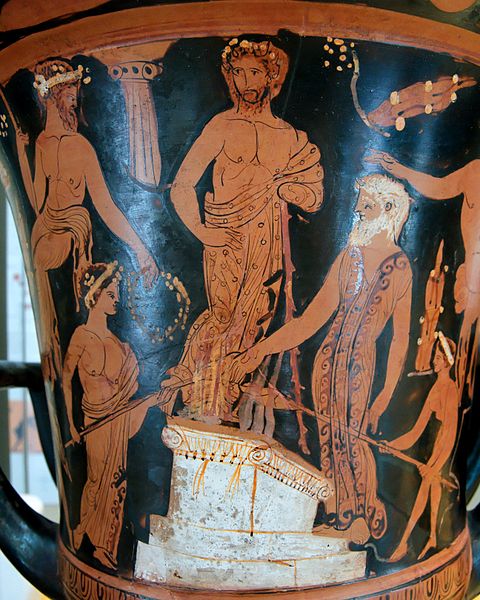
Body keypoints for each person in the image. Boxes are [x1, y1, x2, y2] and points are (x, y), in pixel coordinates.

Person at [230, 174, 413, 542]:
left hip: (360, 365)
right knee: (329, 437)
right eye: (358, 203)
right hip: (327, 362)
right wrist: (260, 349)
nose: (357, 210)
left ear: (389, 208)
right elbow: (311, 320)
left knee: (352, 439)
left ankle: (359, 515)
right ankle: (337, 515)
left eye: (366, 204)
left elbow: (400, 341)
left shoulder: (400, 266)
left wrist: (384, 397)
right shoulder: (349, 257)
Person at [160, 38, 324, 423]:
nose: (246, 82)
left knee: (251, 326)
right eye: (238, 73)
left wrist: (287, 189)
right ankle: (200, 399)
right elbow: (182, 185)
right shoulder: (222, 125)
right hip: (226, 239)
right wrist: (202, 232)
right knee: (221, 316)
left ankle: (224, 403)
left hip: (265, 244)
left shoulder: (289, 136)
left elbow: (314, 196)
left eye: (254, 73)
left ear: (271, 77)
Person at [15, 59, 158, 381]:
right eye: (69, 97)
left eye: (75, 97)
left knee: (73, 317)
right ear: (51, 98)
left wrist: (140, 249)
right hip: (54, 236)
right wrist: (23, 154)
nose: (74, 104)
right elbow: (41, 202)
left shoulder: (67, 145)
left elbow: (100, 205)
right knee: (67, 319)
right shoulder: (54, 144)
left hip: (61, 237)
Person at [62, 262, 156, 569]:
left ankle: (105, 547)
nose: (117, 300)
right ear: (95, 295)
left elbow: (128, 391)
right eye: (111, 295)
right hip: (94, 420)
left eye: (117, 295)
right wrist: (71, 424)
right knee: (95, 481)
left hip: (116, 420)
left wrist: (152, 400)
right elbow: (66, 379)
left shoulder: (121, 344)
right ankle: (82, 529)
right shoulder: (81, 335)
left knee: (116, 481)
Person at [367, 150, 480, 399]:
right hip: (471, 283)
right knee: (464, 357)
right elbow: (439, 187)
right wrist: (400, 170)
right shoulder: (474, 172)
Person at [384, 334, 458, 561]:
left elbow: (450, 434)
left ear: (447, 361)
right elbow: (416, 431)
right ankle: (433, 537)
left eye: (438, 357)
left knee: (424, 494)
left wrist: (435, 465)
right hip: (435, 449)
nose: (434, 361)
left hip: (442, 449)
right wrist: (392, 446)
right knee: (432, 492)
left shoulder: (450, 389)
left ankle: (404, 543)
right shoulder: (435, 388)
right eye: (434, 356)